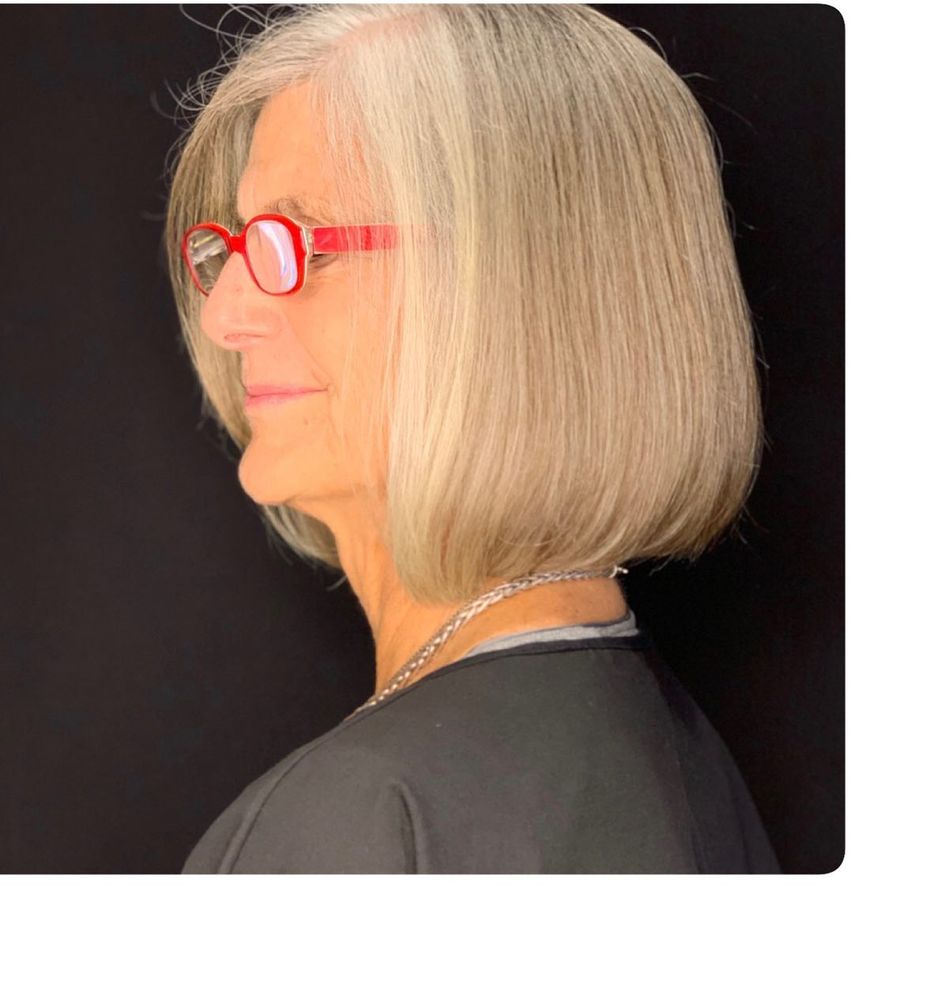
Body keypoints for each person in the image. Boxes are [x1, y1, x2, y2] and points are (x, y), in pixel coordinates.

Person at [165, 4, 779, 873]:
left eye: (300, 242)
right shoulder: (676, 756)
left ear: (511, 293)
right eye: (232, 246)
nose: (225, 316)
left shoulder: (364, 816)